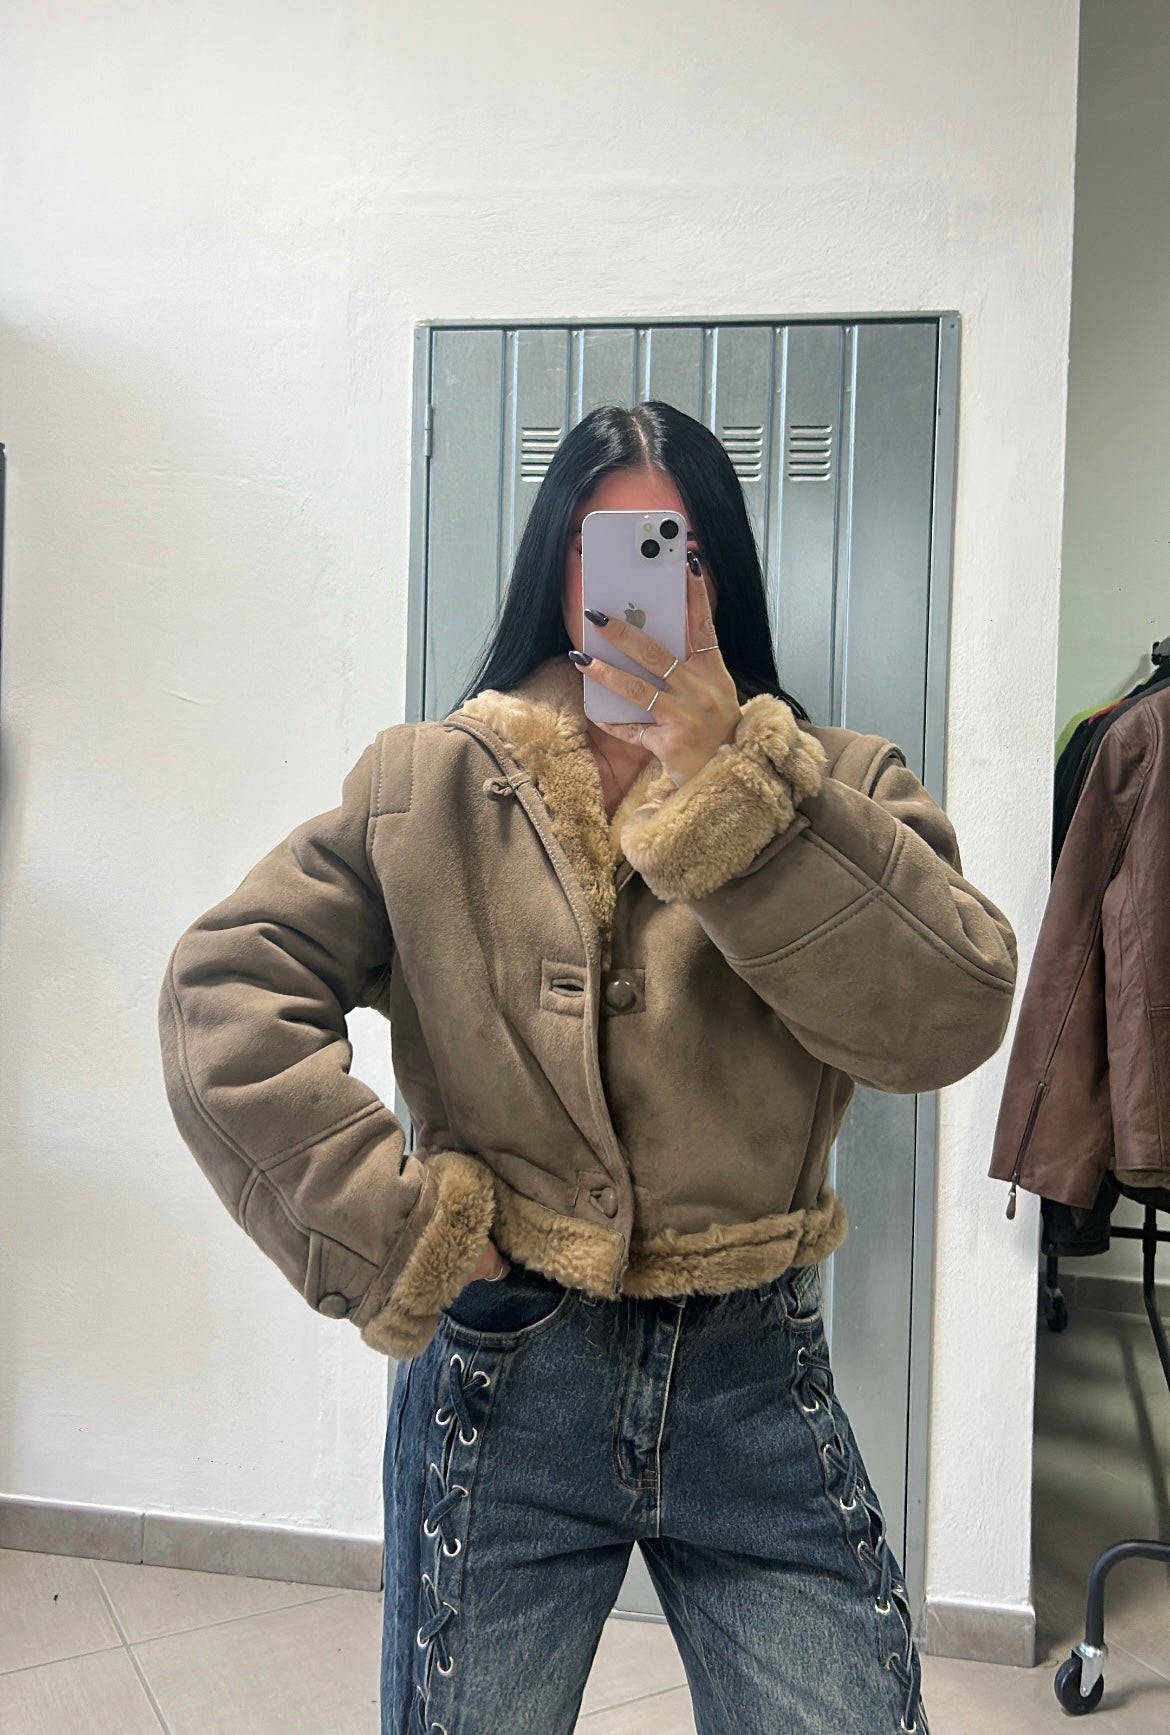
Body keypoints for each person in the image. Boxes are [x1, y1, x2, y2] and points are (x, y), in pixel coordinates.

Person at [158, 401, 1017, 1734]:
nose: (648, 583)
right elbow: (225, 990)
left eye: (681, 551)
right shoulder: (428, 786)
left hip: (753, 1373)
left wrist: (740, 791)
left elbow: (949, 1016)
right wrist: (397, 1230)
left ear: (720, 575)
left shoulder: (842, 786)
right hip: (507, 1370)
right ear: (555, 565)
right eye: (608, 546)